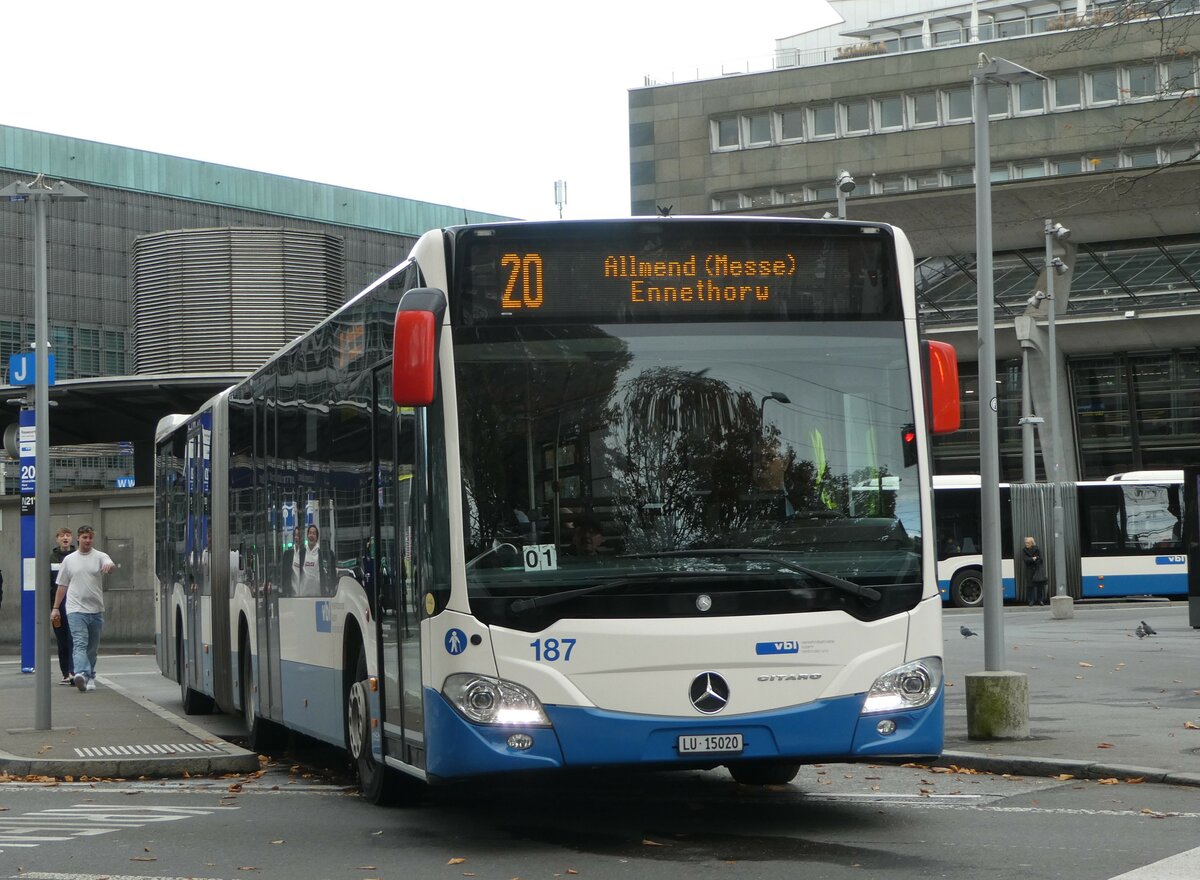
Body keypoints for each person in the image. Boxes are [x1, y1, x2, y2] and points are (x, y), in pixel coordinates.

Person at [51, 524, 116, 692]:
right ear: (78, 538)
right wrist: (56, 608)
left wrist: (109, 565)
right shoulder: (69, 560)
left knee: (92, 648)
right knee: (79, 643)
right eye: (85, 537)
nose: (87, 540)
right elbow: (62, 586)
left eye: (90, 537)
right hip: (74, 609)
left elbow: (109, 563)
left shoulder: (100, 556)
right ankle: (80, 673)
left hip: (95, 609)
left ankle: (90, 676)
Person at [49, 527, 77, 685]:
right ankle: (65, 672)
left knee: (74, 638)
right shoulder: (51, 558)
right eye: (61, 536)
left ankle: (74, 671)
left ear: (72, 538)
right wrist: (53, 607)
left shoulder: (76, 556)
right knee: (62, 640)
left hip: (75, 603)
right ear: (57, 539)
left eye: (67, 535)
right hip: (57, 605)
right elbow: (49, 583)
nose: (65, 538)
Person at [293, 524, 333, 597]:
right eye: (310, 533)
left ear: (316, 538)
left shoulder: (321, 553)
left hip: (318, 596)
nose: (311, 535)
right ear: (307, 536)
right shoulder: (301, 553)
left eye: (314, 533)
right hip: (303, 595)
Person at [1022, 535, 1048, 606]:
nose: (1026, 544)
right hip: (1029, 571)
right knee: (1030, 586)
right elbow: (1025, 560)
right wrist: (1033, 559)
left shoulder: (1037, 549)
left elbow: (1041, 559)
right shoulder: (1024, 550)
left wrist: (1033, 559)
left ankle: (1040, 600)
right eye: (1026, 543)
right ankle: (1031, 601)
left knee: (1040, 586)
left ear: (1032, 543)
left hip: (1037, 570)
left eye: (1028, 543)